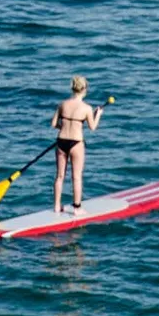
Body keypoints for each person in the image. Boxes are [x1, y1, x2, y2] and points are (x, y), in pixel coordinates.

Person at [51, 75, 105, 215]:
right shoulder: (87, 108)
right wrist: (97, 115)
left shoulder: (62, 104)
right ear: (85, 89)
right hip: (76, 143)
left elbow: (54, 124)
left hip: (61, 141)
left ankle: (57, 206)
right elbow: (92, 127)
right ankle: (77, 208)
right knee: (76, 176)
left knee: (59, 176)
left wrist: (64, 127)